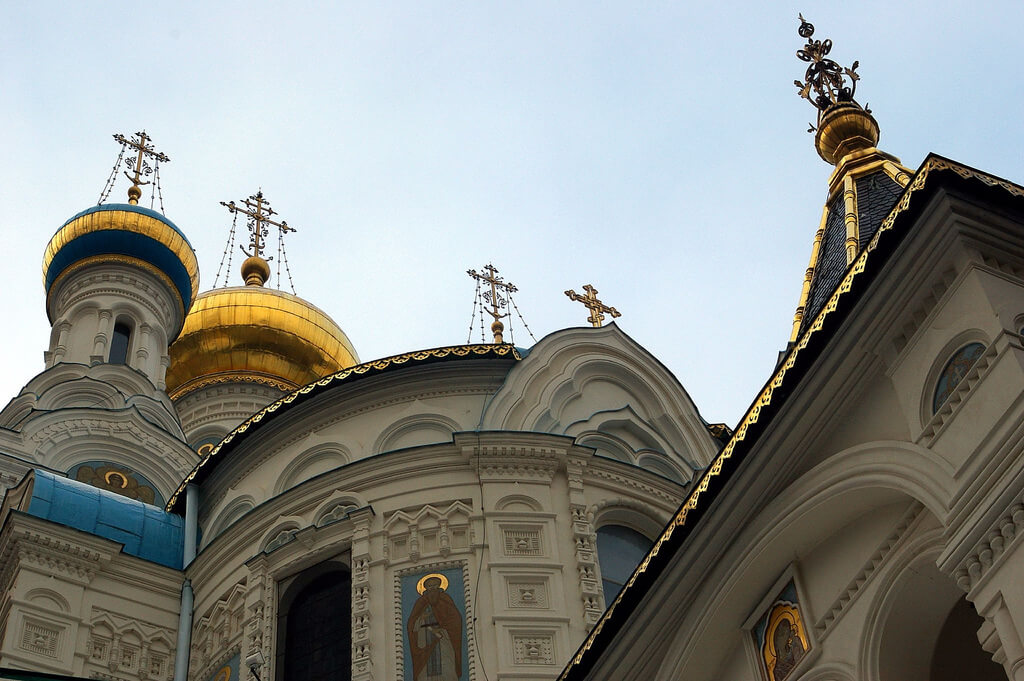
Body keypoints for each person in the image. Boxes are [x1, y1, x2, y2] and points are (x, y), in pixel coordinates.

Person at [408, 576, 463, 681]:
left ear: (439, 586)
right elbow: (412, 624)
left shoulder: (445, 600)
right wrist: (421, 619)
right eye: (429, 586)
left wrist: (443, 630)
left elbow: (455, 620)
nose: (432, 588)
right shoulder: (420, 603)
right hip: (425, 642)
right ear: (426, 589)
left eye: (434, 585)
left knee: (446, 667)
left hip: (443, 640)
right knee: (426, 672)